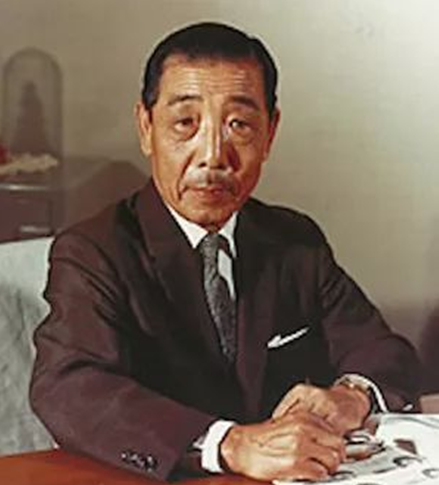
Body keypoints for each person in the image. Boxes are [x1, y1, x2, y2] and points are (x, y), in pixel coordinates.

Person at [30, 22, 420, 483]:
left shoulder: (294, 240)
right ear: (146, 127)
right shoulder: (93, 251)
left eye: (239, 125)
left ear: (270, 133)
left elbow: (382, 349)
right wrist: (229, 444)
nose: (213, 155)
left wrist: (351, 395)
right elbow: (69, 387)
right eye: (185, 123)